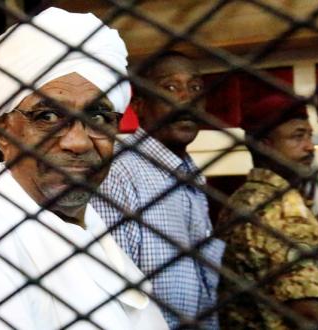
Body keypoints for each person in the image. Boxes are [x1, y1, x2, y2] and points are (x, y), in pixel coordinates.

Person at [0, 7, 168, 330]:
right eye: (48, 117)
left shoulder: (90, 229)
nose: (78, 142)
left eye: (97, 117)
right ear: (2, 130)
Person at [91, 51, 226, 329]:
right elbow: (115, 295)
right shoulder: (118, 172)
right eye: (171, 87)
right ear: (139, 105)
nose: (186, 98)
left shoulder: (191, 175)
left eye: (196, 87)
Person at [217, 94, 318, 329]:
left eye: (310, 136)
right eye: (297, 137)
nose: (310, 146)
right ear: (265, 145)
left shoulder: (240, 200)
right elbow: (306, 313)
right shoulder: (283, 210)